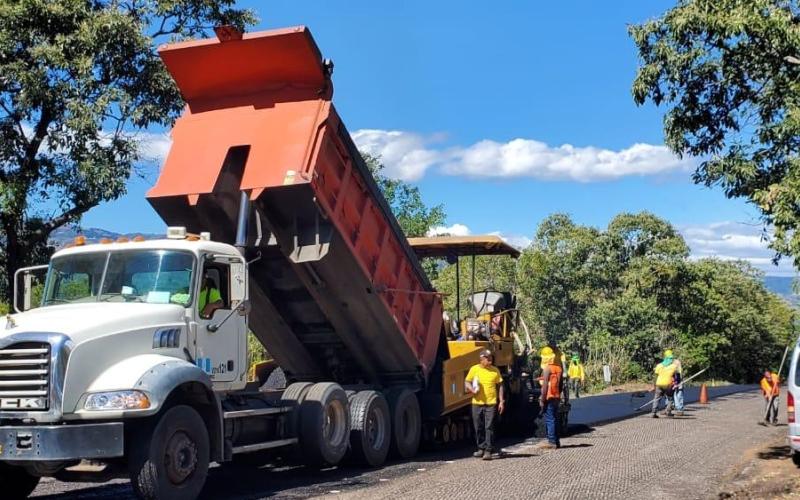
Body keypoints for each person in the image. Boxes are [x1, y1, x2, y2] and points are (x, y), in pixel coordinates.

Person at [465, 349, 505, 460]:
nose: (490, 359)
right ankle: (481, 448)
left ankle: (488, 450)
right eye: (487, 358)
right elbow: (467, 381)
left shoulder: (495, 370)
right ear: (481, 359)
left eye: (491, 357)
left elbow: (500, 385)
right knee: (478, 426)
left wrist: (501, 401)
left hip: (491, 403)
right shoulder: (474, 369)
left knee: (489, 426)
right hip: (477, 403)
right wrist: (471, 389)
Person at [538, 346, 563, 449]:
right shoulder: (559, 368)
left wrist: (542, 399)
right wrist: (559, 395)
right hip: (556, 396)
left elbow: (544, 387)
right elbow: (561, 384)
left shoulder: (547, 369)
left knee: (549, 419)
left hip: (549, 396)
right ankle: (556, 441)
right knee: (555, 418)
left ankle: (551, 441)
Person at [652, 349, 678, 418]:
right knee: (670, 399)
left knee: (657, 398)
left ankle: (654, 412)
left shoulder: (659, 365)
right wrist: (675, 384)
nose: (671, 359)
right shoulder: (674, 366)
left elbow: (656, 376)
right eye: (671, 358)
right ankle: (668, 411)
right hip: (668, 385)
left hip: (659, 384)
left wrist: (654, 385)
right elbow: (676, 377)